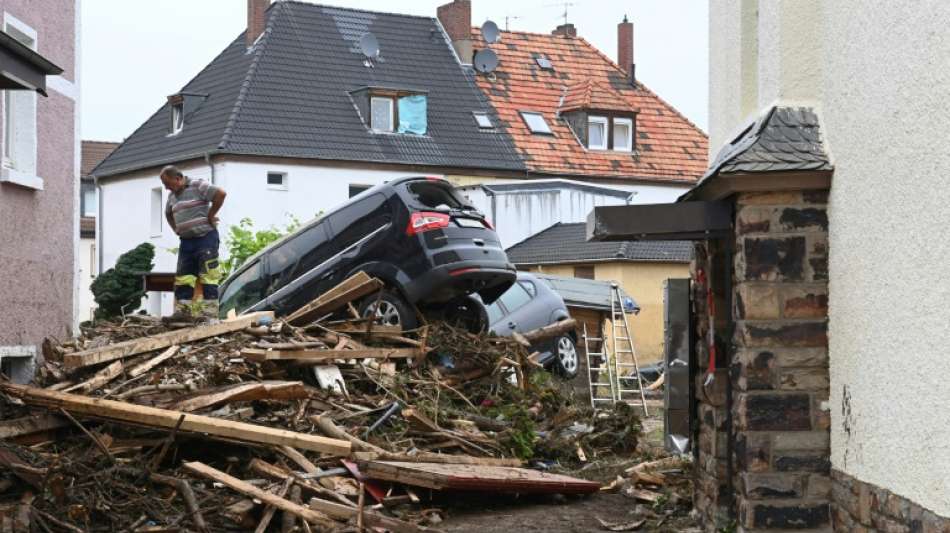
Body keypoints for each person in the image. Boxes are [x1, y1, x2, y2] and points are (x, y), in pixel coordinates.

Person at [160, 165, 227, 320]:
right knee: (184, 277)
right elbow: (168, 213)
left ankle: (210, 315)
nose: (166, 188)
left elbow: (221, 194)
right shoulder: (172, 196)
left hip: (205, 238)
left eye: (167, 183)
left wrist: (211, 214)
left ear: (177, 178)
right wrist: (176, 229)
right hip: (186, 242)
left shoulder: (198, 185)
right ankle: (183, 313)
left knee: (208, 275)